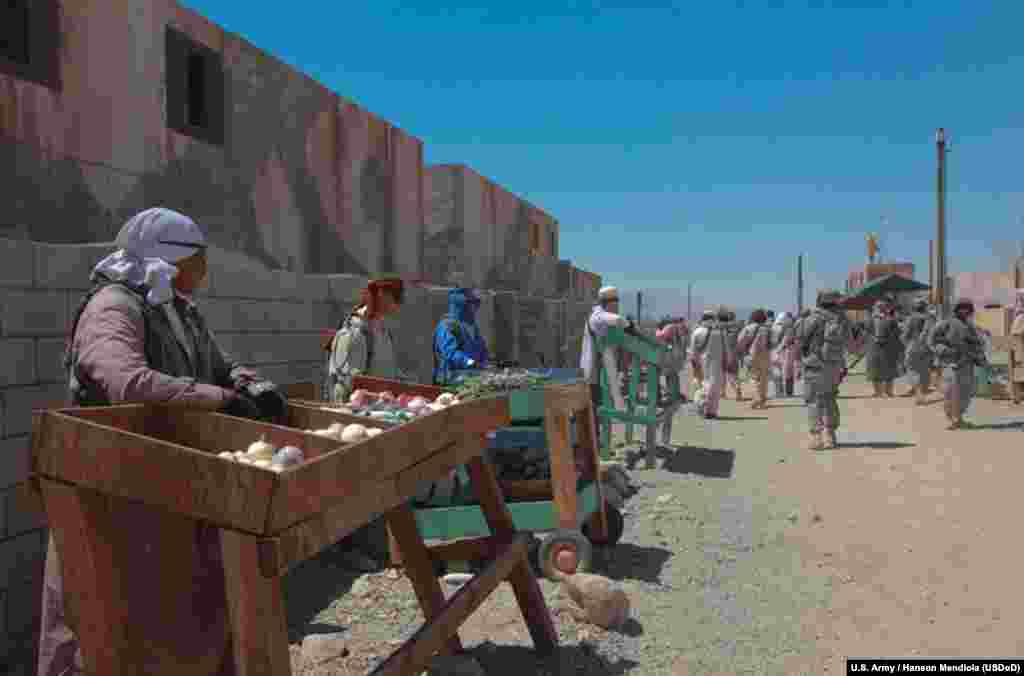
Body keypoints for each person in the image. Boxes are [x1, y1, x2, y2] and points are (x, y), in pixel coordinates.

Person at [41, 207, 288, 676]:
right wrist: (219, 400)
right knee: (107, 623)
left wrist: (250, 385)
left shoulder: (177, 309)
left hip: (168, 488)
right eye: (199, 259)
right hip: (114, 492)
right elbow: (124, 381)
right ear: (171, 259)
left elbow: (219, 365)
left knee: (180, 620)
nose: (205, 269)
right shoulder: (114, 307)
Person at [324, 278, 408, 402]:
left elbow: (386, 370)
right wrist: (376, 397)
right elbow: (346, 382)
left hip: (377, 409)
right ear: (382, 296)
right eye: (397, 298)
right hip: (352, 412)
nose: (400, 303)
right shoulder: (354, 332)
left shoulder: (383, 330)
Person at [799, 289, 852, 450]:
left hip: (815, 364)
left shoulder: (813, 318)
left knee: (814, 400)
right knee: (830, 398)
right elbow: (850, 341)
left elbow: (801, 339)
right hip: (835, 364)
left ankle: (817, 437)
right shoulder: (842, 319)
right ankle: (830, 435)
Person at [581, 286, 634, 442]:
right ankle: (595, 445)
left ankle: (596, 443)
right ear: (609, 303)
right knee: (595, 410)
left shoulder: (599, 315)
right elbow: (617, 320)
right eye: (615, 302)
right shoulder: (598, 316)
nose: (617, 306)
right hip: (593, 371)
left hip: (597, 370)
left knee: (597, 408)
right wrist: (631, 327)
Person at [928, 298, 988, 430]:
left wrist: (980, 357)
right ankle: (952, 419)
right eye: (962, 307)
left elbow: (977, 344)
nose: (964, 310)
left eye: (967, 308)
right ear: (956, 309)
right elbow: (932, 341)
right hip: (952, 364)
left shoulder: (970, 325)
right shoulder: (945, 324)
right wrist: (946, 351)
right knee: (952, 392)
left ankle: (959, 418)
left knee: (967, 392)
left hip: (968, 364)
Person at [433, 287, 490, 385]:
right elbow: (450, 353)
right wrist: (469, 362)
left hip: (473, 380)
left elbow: (481, 349)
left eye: (476, 304)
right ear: (460, 304)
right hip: (450, 382)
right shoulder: (447, 325)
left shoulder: (472, 326)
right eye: (471, 304)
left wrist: (485, 363)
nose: (474, 308)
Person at [690, 307, 729, 419]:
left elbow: (693, 351)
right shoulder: (721, 332)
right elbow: (727, 350)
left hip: (701, 363)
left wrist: (694, 364)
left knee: (702, 385)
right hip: (717, 364)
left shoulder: (696, 332)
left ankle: (701, 406)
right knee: (715, 388)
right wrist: (728, 362)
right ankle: (712, 411)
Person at [900, 298, 937, 405]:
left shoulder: (911, 318)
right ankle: (922, 393)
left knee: (912, 369)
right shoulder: (930, 318)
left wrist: (906, 344)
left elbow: (905, 335)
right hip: (927, 347)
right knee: (924, 371)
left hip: (913, 346)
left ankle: (919, 394)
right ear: (924, 307)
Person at [865, 296, 903, 397]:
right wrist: (873, 339)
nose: (881, 308)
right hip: (874, 346)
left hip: (888, 346)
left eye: (883, 306)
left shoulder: (891, 319)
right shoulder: (870, 319)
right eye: (878, 306)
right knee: (875, 369)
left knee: (889, 369)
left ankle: (888, 391)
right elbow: (867, 332)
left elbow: (896, 333)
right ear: (875, 307)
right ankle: (877, 391)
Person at [737, 309, 772, 409]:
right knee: (764, 378)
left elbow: (740, 341)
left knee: (754, 377)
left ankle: (757, 399)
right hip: (765, 354)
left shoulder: (748, 328)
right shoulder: (767, 329)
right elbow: (772, 342)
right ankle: (762, 399)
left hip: (752, 355)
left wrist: (743, 351)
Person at [655, 316, 689, 404]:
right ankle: (674, 395)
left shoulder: (670, 327)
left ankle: (671, 396)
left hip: (669, 356)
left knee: (670, 376)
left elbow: (660, 336)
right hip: (675, 355)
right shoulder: (677, 328)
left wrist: (657, 331)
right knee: (673, 376)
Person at [771, 311, 797, 397]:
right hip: (786, 350)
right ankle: (788, 392)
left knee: (778, 371)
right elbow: (786, 339)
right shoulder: (790, 327)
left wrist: (777, 349)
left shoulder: (774, 327)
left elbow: (776, 340)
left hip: (779, 350)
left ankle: (780, 392)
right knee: (788, 372)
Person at [722, 310, 744, 401]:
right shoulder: (738, 327)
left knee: (728, 375)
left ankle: (729, 391)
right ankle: (737, 388)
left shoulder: (723, 327)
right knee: (735, 374)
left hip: (726, 353)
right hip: (736, 353)